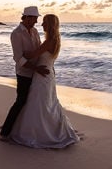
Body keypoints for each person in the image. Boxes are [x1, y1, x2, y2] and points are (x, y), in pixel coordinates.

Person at [8, 13, 80, 149]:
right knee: (48, 102)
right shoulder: (55, 39)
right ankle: (52, 129)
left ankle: (39, 133)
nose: (41, 24)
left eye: (44, 22)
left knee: (40, 103)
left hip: (42, 75)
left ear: (50, 24)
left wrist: (20, 53)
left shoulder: (48, 42)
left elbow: (31, 55)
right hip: (48, 74)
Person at [0, 6, 49, 141]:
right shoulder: (16, 34)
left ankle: (20, 128)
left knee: (31, 102)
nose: (36, 21)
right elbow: (18, 58)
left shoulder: (35, 31)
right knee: (20, 101)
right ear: (26, 17)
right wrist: (36, 68)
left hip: (36, 73)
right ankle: (5, 132)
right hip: (24, 73)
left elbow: (37, 50)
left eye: (37, 18)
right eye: (34, 18)